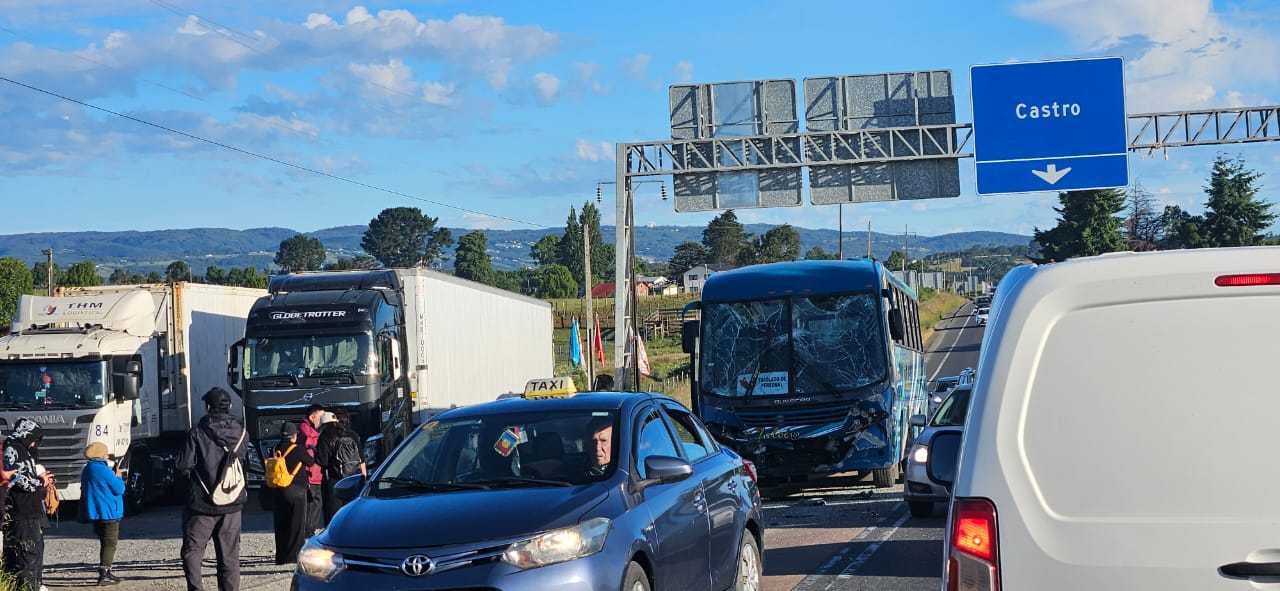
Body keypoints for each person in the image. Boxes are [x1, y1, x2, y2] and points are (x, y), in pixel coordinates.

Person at [177, 388, 248, 591]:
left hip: (202, 504)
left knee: (193, 552)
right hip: (232, 502)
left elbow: (183, 465)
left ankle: (196, 588)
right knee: (230, 556)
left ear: (208, 407)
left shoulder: (197, 433)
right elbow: (243, 462)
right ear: (230, 406)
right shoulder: (242, 433)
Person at [3, 417, 52, 591]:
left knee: (30, 555)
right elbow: (21, 481)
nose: (34, 444)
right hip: (22, 513)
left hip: (27, 512)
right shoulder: (13, 449)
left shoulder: (19, 448)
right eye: (34, 439)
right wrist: (42, 482)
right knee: (26, 557)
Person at [81, 442, 125, 586]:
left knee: (104, 541)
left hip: (96, 512)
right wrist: (118, 476)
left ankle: (106, 570)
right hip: (109, 512)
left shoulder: (87, 469)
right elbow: (119, 489)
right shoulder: (103, 470)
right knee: (110, 543)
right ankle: (104, 573)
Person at [270, 423, 314, 564]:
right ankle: (293, 556)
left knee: (281, 524)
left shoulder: (274, 449)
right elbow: (310, 462)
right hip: (296, 490)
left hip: (278, 490)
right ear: (294, 436)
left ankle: (281, 557)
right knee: (296, 524)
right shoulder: (298, 449)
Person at [315, 409, 366, 524]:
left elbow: (322, 461)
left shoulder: (325, 436)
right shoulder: (352, 434)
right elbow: (361, 459)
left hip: (334, 480)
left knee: (334, 517)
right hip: (353, 479)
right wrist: (363, 478)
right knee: (352, 514)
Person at [297, 404, 325, 534]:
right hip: (311, 473)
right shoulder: (305, 429)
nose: (322, 420)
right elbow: (311, 441)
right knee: (314, 502)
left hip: (315, 473)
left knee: (315, 502)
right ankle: (309, 530)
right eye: (320, 417)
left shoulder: (310, 429)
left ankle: (309, 529)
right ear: (312, 417)